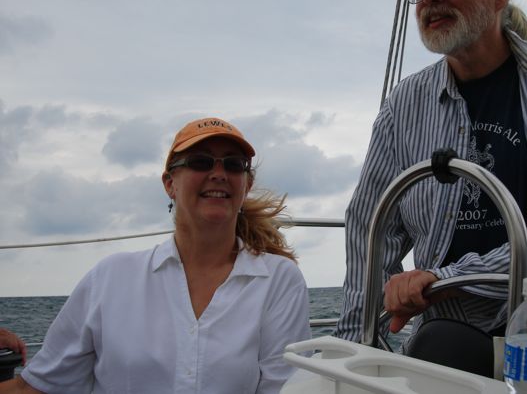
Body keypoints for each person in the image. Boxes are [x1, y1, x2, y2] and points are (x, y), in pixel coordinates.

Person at [334, 0, 527, 393]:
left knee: (443, 347)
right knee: (439, 346)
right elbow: (370, 227)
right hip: (449, 329)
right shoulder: (405, 105)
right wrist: (357, 347)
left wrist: (446, 279)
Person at [0, 117, 311, 394]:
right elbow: (37, 387)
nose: (219, 173)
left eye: (233, 164)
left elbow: (286, 389)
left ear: (246, 185)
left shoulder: (279, 280)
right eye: (201, 162)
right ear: (169, 184)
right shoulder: (111, 278)